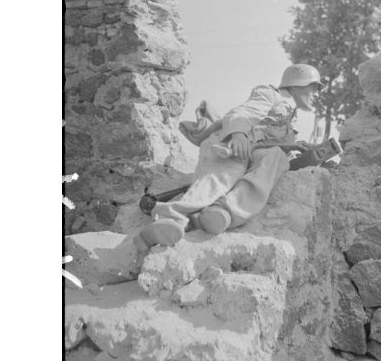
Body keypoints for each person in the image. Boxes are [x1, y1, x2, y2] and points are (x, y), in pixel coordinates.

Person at [135, 64, 323, 250]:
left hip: (251, 151)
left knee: (276, 159)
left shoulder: (291, 120)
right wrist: (239, 134)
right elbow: (244, 112)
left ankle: (224, 211)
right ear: (298, 84)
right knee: (220, 177)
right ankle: (169, 218)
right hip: (229, 145)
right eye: (314, 89)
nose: (317, 95)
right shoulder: (270, 94)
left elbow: (265, 143)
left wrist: (295, 147)